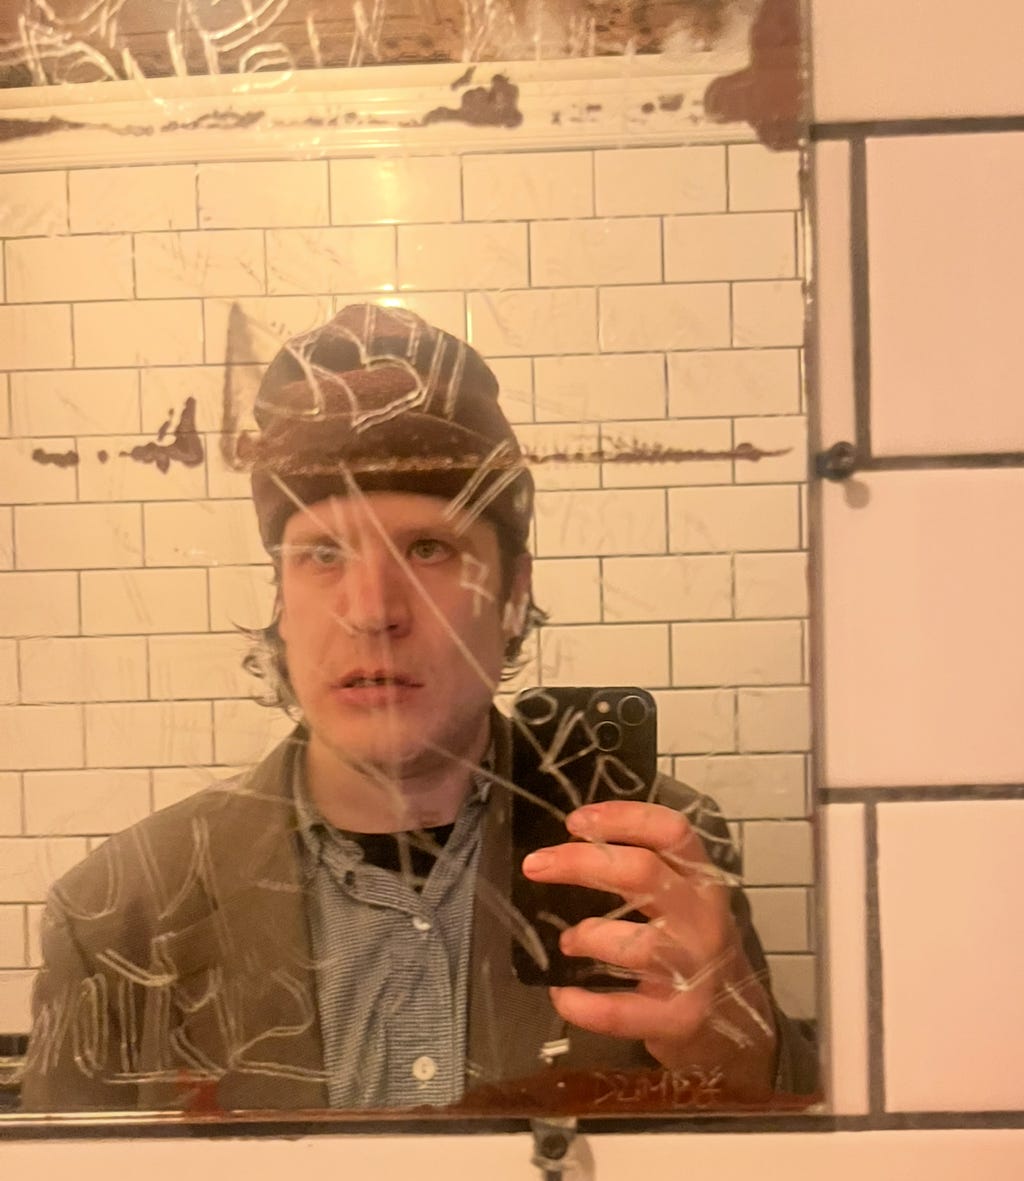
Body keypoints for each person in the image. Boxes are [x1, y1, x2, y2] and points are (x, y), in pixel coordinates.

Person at [20, 304, 819, 1114]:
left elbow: (784, 1163)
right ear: (281, 599)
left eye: (429, 549)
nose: (373, 610)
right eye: (322, 553)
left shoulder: (653, 858)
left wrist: (731, 1043)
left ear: (513, 596)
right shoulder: (121, 912)